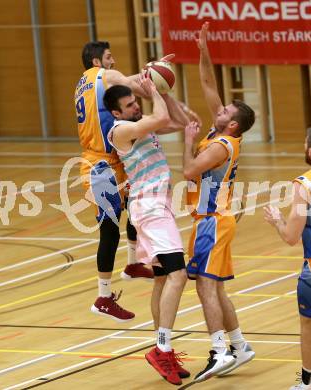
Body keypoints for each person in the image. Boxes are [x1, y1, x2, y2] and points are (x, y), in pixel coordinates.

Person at [103, 78, 189, 386]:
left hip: (158, 208)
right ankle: (161, 349)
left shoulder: (143, 124)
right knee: (179, 276)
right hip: (150, 209)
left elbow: (179, 120)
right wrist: (153, 90)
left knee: (164, 278)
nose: (136, 106)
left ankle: (162, 346)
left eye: (135, 101)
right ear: (116, 113)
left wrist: (164, 91)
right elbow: (163, 117)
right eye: (129, 105)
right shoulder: (121, 131)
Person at [182, 22, 256, 382]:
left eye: (225, 111)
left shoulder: (218, 146)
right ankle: (239, 346)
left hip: (212, 218)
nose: (219, 109)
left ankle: (219, 350)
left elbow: (187, 171)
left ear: (233, 126)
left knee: (205, 286)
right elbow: (208, 83)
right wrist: (203, 50)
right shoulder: (222, 132)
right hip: (210, 217)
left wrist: (186, 139)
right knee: (214, 285)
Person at [74, 41, 155, 323]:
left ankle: (133, 264)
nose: (113, 60)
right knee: (109, 231)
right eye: (109, 57)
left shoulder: (84, 82)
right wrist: (154, 73)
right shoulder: (102, 75)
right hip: (99, 166)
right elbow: (130, 84)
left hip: (113, 160)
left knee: (136, 204)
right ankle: (103, 297)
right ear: (97, 61)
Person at [264, 130, 311, 390]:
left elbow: (291, 236)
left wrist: (277, 220)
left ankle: (307, 382)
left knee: (308, 325)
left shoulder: (304, 185)